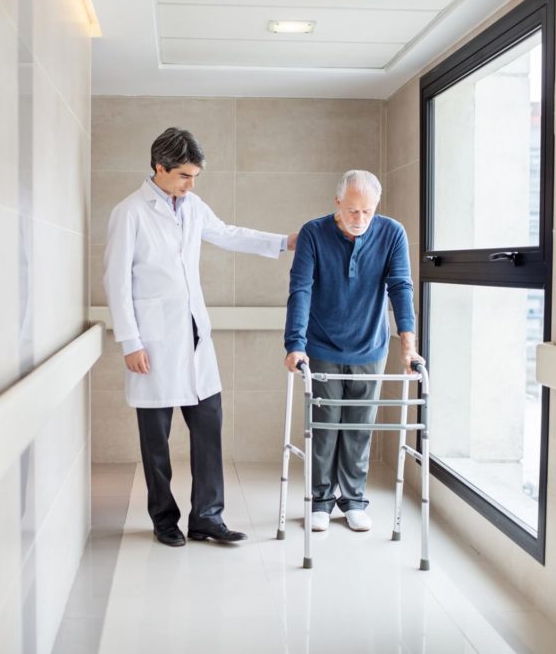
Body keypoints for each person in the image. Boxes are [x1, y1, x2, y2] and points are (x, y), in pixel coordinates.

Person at [105, 127, 297, 547]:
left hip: (193, 337)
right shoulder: (130, 212)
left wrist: (283, 243)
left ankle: (208, 516)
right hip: (151, 343)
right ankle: (163, 519)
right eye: (185, 176)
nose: (192, 184)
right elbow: (115, 280)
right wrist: (130, 342)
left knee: (208, 430)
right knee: (156, 443)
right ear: (160, 168)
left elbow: (227, 232)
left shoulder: (190, 205)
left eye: (196, 176)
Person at [283, 170, 423, 533]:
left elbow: (401, 287)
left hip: (370, 345)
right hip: (322, 345)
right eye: (352, 211)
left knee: (359, 427)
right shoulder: (314, 233)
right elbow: (301, 290)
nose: (359, 219)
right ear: (337, 203)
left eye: (367, 212)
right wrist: (295, 345)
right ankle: (320, 501)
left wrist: (408, 346)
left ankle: (354, 501)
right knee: (324, 427)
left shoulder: (392, 233)